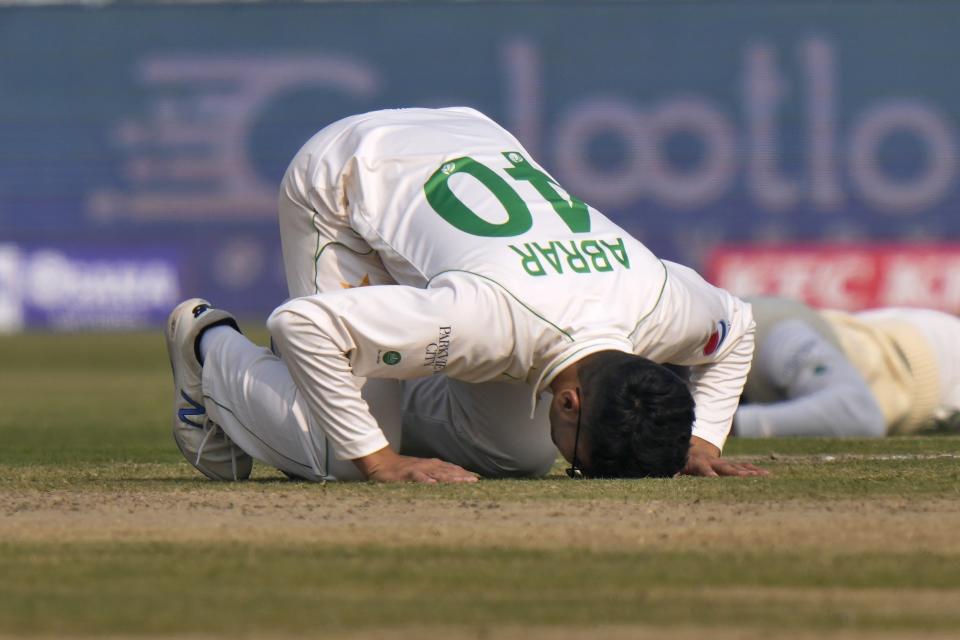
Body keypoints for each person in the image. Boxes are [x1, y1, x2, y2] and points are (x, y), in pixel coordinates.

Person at [165, 106, 761, 483]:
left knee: (516, 457)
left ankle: (387, 387)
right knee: (339, 458)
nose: (572, 468)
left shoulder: (665, 309)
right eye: (581, 467)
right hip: (348, 177)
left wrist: (702, 440)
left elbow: (738, 322)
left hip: (467, 137)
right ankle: (207, 346)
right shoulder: (488, 321)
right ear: (571, 403)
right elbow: (302, 325)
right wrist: (381, 460)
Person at [734, 296, 960, 438]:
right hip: (877, 332)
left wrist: (726, 427)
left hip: (936, 359)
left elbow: (860, 415)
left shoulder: (773, 333)